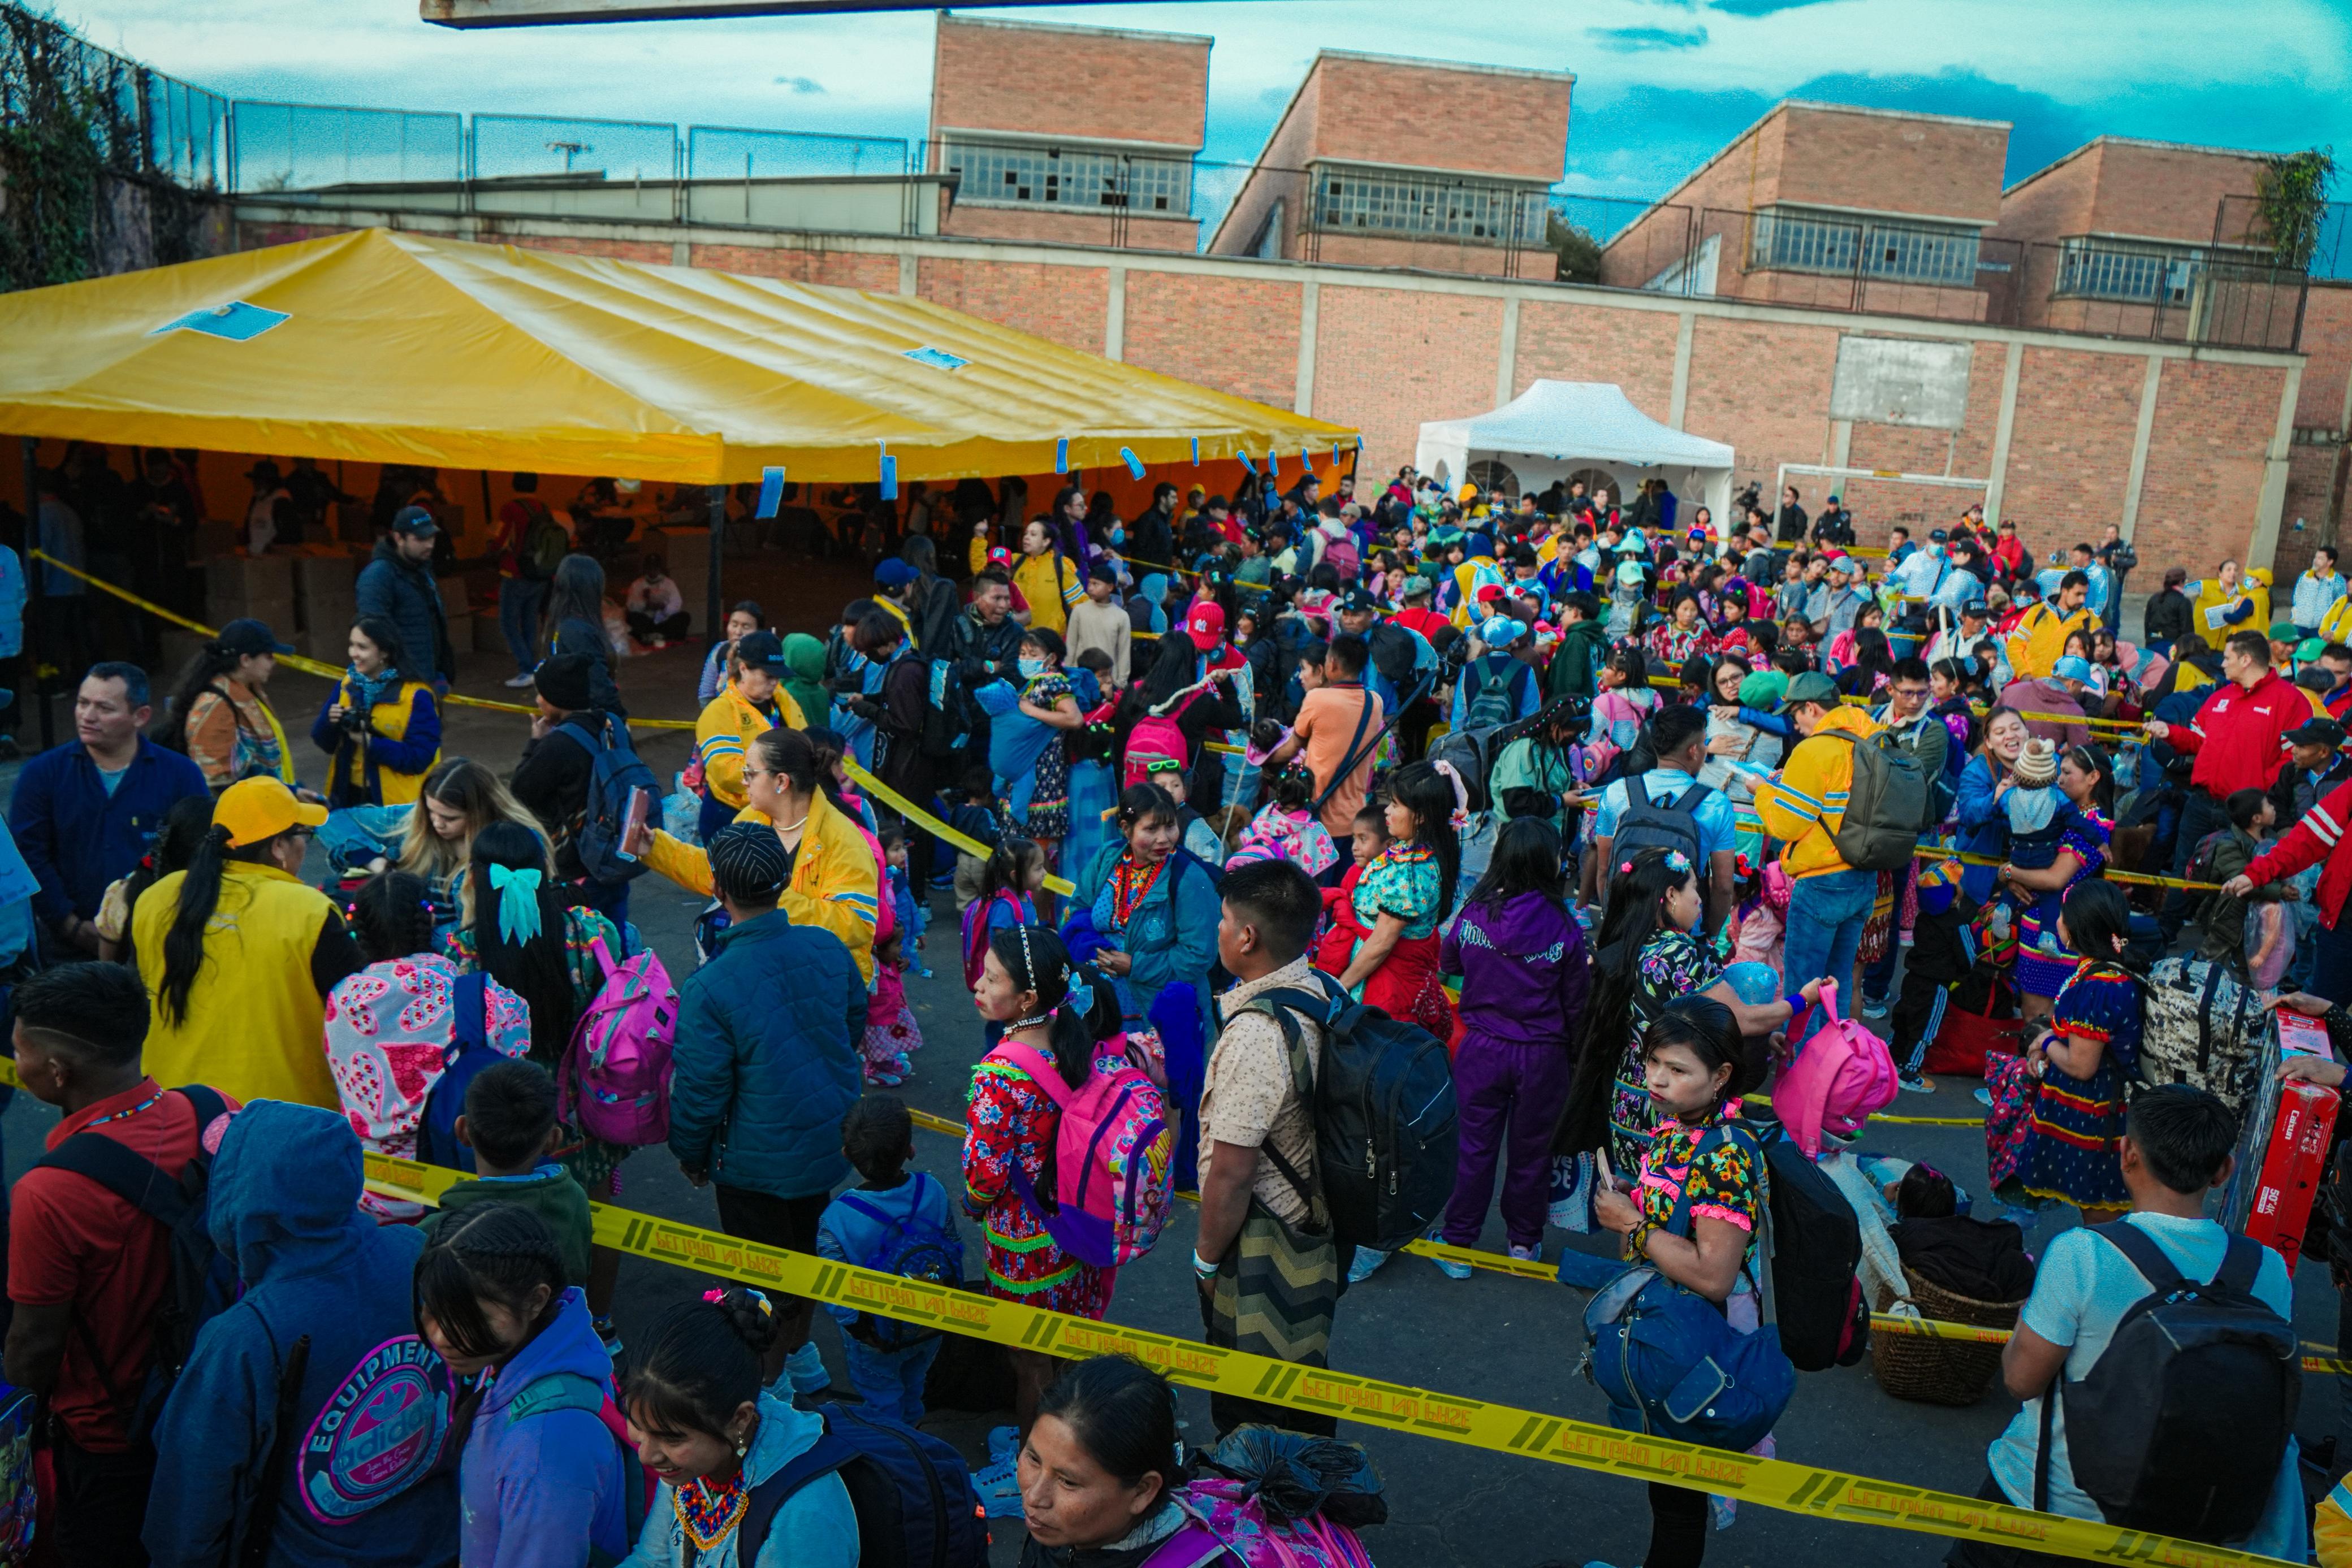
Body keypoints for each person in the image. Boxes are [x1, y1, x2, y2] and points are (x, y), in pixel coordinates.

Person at [1954, 1085, 2306, 1566]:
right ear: (2223, 1171)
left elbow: (2021, 1380)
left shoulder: (2083, 1253)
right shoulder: (2267, 1269)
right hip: (2187, 1522)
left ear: (2128, 1155)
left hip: (2052, 1509)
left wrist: (2022, 1328)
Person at [144, 1102, 458, 1567]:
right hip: (440, 1541)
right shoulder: (415, 1251)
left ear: (244, 1195)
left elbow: (191, 1500)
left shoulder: (244, 1336)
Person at [5, 964, 236, 1565]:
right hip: (214, 1402)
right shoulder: (216, 1111)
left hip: (109, 1439)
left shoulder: (50, 1191)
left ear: (58, 1071)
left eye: (18, 1049)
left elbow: (34, 1346)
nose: (15, 1061)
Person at [670, 821, 865, 1404]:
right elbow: (853, 1021)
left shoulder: (710, 986)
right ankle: (800, 1354)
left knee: (757, 1281)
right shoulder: (826, 947)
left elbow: (701, 1090)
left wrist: (690, 1152)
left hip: (751, 1163)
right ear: (783, 882)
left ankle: (770, 1387)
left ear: (718, 889)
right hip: (824, 1143)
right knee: (804, 1256)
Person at [1588, 997, 1773, 1568]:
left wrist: (1631, 1223)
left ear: (1720, 1076)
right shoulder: (1679, 1126)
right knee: (1668, 1487)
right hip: (1674, 1333)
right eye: (1652, 1063)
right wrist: (1637, 1195)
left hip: (1701, 1348)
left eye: (1677, 1069)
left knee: (1677, 1496)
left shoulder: (1724, 1156)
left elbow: (1713, 1274)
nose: (1657, 1080)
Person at [441, 820, 631, 1314]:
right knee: (598, 1219)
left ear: (479, 881)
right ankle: (600, 1320)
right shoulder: (592, 931)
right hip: (588, 1115)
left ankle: (528, 1321)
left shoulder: (466, 950)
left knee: (513, 1231)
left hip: (511, 1120)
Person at [1194, 859, 1344, 1436]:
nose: (1219, 930)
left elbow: (1232, 1172)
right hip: (1312, 1223)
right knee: (1302, 1374)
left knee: (1248, 1410)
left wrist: (1206, 1259)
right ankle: (1313, 1513)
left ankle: (1263, 1515)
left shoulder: (1256, 1033)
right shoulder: (1317, 988)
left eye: (1223, 920)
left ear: (1247, 936)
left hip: (1261, 1243)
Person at [1557, 848, 1816, 1179]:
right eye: (1694, 888)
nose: (1699, 899)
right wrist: (1802, 1001)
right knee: (1669, 1207)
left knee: (1635, 1202)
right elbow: (1739, 1018)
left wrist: (1768, 1039)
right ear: (1670, 895)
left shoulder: (1631, 943)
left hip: (1628, 1099)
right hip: (1671, 1102)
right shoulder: (1677, 952)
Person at [964, 926, 1122, 1437]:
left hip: (1023, 1239)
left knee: (1030, 1360)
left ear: (1028, 997)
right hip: (1074, 1225)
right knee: (1065, 1347)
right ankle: (1078, 1439)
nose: (979, 987)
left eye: (991, 979)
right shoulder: (1073, 1039)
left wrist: (973, 1202)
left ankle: (1033, 1465)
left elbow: (985, 1175)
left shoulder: (999, 1073)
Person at [414, 1200, 630, 1564]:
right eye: (433, 1309)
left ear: (536, 1300)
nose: (440, 1336)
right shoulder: (548, 1341)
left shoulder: (544, 1448)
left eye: (469, 1317)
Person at [137, 777, 359, 1108]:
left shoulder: (157, 897)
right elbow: (357, 1018)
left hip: (172, 1110)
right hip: (278, 1118)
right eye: (303, 835)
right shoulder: (307, 912)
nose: (305, 845)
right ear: (278, 846)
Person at [325, 868, 532, 1220]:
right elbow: (517, 1053)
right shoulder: (477, 996)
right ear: (430, 917)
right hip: (459, 1187)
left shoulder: (341, 1000)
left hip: (372, 1191)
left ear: (360, 931)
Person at [1437, 818, 1590, 1271]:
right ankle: (1523, 1243)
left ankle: (1457, 1243)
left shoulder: (1475, 912)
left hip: (1481, 1049)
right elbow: (1577, 1004)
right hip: (1543, 1057)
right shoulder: (1565, 926)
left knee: (1472, 1149)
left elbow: (1449, 961)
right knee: (1532, 1152)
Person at [613, 1289, 859, 1566]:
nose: (647, 1455)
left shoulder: (807, 1515)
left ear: (741, 1419)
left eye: (671, 1438)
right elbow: (651, 1561)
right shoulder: (690, 1459)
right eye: (637, 1425)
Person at [637, 724, 881, 983]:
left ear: (781, 782)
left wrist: (768, 897)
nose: (743, 781)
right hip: (764, 971)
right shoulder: (753, 819)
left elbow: (857, 923)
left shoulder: (843, 839)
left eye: (750, 773)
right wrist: (655, 847)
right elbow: (721, 872)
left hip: (821, 984)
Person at [10, 661, 206, 958]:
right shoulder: (42, 775)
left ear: (140, 716)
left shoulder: (181, 775)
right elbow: (28, 855)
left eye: (104, 708)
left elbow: (200, 854)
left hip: (160, 941)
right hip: (67, 948)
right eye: (82, 703)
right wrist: (69, 924)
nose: (88, 716)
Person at [2146, 629, 2306, 939]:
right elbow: (2199, 740)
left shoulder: (2290, 701)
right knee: (2184, 869)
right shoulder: (2220, 697)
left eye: (2228, 657)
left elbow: (2293, 759)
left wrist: (2258, 792)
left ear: (2246, 660)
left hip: (2245, 813)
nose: (2222, 663)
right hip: (2203, 801)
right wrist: (2171, 733)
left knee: (2240, 880)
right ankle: (2164, 936)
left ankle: (2226, 949)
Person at [815, 1095, 961, 1423]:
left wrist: (862, 1332)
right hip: (929, 1319)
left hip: (877, 1332)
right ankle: (915, 1432)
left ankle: (895, 1454)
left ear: (846, 1155)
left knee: (881, 1399)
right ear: (910, 1149)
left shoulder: (837, 1217)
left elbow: (836, 1290)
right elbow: (952, 1244)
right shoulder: (932, 1190)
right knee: (914, 1383)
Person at [1752, 670, 1882, 1031]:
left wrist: (1762, 791)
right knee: (1837, 984)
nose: (1795, 723)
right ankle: (1833, 1073)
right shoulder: (1873, 738)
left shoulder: (1814, 750)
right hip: (1864, 878)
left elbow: (1786, 825)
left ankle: (1803, 1076)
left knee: (1805, 990)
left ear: (1810, 707)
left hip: (1821, 882)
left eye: (1795, 714)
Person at [1075, 785, 1221, 1061]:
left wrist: (1135, 966)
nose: (1164, 839)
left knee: (1161, 1094)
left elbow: (1199, 955)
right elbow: (1079, 908)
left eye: (1170, 827)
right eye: (1151, 829)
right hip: (1105, 1005)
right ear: (1126, 829)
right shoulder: (1108, 859)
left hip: (1161, 1014)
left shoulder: (1189, 880)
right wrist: (1092, 949)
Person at [420, 1059, 595, 1285]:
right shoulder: (574, 1199)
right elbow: (580, 1274)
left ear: (462, 1131)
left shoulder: (431, 1233)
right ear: (553, 1141)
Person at [1016, 1357, 1192, 1565]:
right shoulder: (1061, 1530)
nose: (1034, 1497)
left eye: (1068, 1482)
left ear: (1142, 1491)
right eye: (1034, 1459)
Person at [1330, 761, 1459, 1041]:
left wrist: (1340, 987)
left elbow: (1381, 944)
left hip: (1379, 982)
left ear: (1421, 816)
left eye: (1396, 805)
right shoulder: (1412, 853)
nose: (1387, 811)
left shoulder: (1412, 873)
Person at [509, 652, 637, 926]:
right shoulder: (613, 726)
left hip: (579, 865)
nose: (537, 700)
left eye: (541, 694)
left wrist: (534, 743)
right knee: (616, 938)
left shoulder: (559, 744)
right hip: (616, 854)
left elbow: (521, 791)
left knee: (585, 948)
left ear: (557, 698)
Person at [1591, 703, 1737, 939]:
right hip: (1682, 936)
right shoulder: (1716, 804)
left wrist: (1612, 918)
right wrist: (1708, 935)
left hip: (1624, 928)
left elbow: (1604, 869)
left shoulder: (1618, 792)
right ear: (1693, 750)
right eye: (1704, 743)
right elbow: (1722, 887)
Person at [1264, 632, 1384, 857]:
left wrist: (1261, 758)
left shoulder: (1317, 699)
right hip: (1354, 818)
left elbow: (1291, 748)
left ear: (1332, 664)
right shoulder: (1375, 703)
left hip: (1319, 816)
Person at [310, 616, 442, 809]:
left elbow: (419, 758)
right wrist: (330, 721)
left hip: (396, 806)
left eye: (362, 647)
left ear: (385, 653)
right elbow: (324, 742)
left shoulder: (416, 695)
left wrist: (370, 742)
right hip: (349, 796)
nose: (354, 654)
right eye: (352, 645)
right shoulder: (348, 684)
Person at [163, 618, 304, 792]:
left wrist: (292, 791)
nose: (274, 661)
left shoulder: (249, 690)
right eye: (268, 656)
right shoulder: (216, 706)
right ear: (245, 660)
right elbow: (219, 783)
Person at [693, 629, 805, 842]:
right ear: (743, 669)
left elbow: (803, 740)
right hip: (730, 816)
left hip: (774, 811)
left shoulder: (783, 700)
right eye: (768, 676)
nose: (775, 683)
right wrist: (782, 776)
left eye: (778, 676)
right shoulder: (719, 711)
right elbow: (727, 773)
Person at [356, 504, 455, 691]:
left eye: (432, 537)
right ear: (399, 538)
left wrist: (442, 672)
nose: (430, 544)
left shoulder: (423, 570)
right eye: (421, 539)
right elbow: (371, 635)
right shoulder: (378, 576)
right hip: (400, 688)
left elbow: (435, 624)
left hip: (426, 682)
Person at [491, 471, 562, 687]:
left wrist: (492, 546)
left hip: (516, 573)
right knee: (531, 620)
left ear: (513, 483)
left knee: (508, 623)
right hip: (540, 574)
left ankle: (526, 668)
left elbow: (500, 539)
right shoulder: (544, 508)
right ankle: (533, 667)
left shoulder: (511, 508)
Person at [2005, 570, 2093, 682]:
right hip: (2030, 684)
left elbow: (2091, 659)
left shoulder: (2088, 621)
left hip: (2063, 689)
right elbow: (2014, 646)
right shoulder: (2037, 612)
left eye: (2085, 595)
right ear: (2064, 591)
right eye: (2078, 594)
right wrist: (2024, 674)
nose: (2082, 600)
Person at [1066, 560, 1134, 687]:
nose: (1090, 588)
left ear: (1110, 587)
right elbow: (1071, 645)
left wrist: (1121, 682)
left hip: (1107, 680)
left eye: (1096, 584)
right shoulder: (1079, 611)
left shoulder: (1121, 616)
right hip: (1080, 678)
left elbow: (1124, 652)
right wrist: (1068, 674)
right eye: (1090, 583)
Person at [700, 601, 767, 704]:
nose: (738, 632)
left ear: (759, 632)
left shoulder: (766, 655)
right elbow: (706, 695)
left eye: (746, 627)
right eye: (734, 625)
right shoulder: (719, 650)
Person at [625, 553, 690, 646]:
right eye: (650, 568)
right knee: (632, 618)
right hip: (646, 620)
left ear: (660, 569)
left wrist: (664, 607)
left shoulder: (669, 584)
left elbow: (677, 604)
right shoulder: (637, 584)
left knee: (684, 617)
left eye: (655, 569)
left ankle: (658, 636)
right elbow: (630, 605)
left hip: (664, 620)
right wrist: (645, 604)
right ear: (646, 569)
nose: (653, 571)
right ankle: (654, 636)